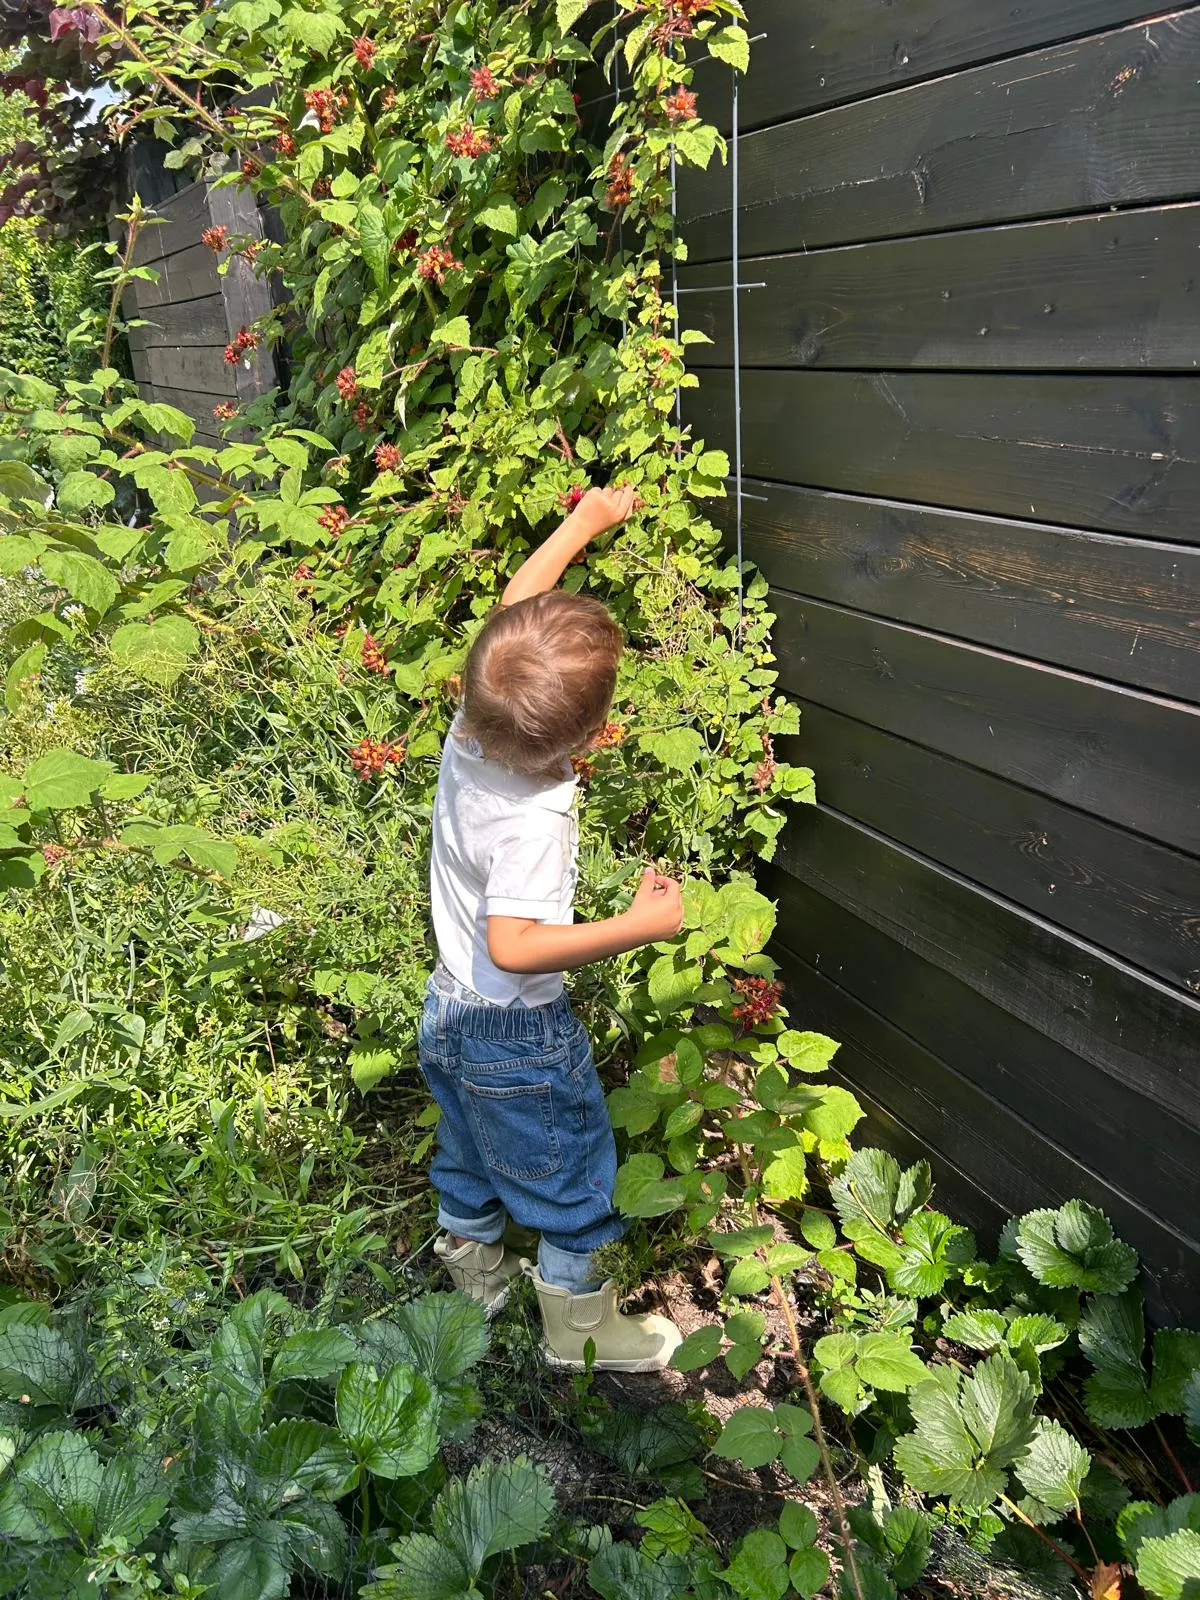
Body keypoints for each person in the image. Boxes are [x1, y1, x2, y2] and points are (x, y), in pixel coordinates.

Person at [418, 484, 684, 1371]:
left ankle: (474, 1266)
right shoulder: (533, 816)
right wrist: (636, 926)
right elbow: (516, 946)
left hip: (447, 1009)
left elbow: (511, 612)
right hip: (515, 1028)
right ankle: (578, 1330)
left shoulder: (471, 725)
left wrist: (582, 523)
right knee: (569, 1165)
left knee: (465, 1147)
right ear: (593, 732)